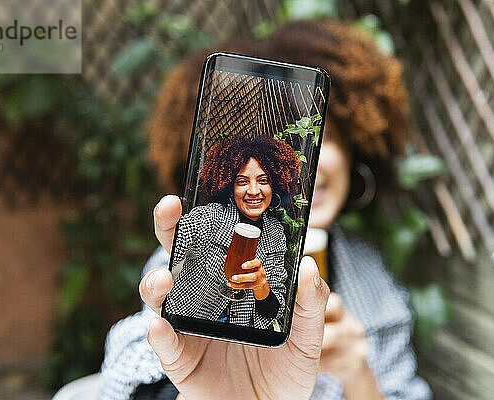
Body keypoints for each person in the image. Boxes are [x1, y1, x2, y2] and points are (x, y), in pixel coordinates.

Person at [100, 20, 432, 400]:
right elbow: (128, 376)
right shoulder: (194, 251)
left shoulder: (371, 276)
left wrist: (356, 375)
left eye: (321, 138)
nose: (304, 167)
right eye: (277, 145)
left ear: (357, 146)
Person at [166, 134, 300, 329]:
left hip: (242, 342)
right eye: (242, 181)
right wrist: (168, 234)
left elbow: (273, 310)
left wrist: (262, 286)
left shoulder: (275, 233)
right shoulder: (211, 217)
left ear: (275, 186)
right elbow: (182, 237)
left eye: (263, 180)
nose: (254, 191)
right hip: (191, 328)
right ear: (229, 187)